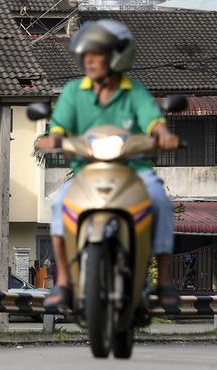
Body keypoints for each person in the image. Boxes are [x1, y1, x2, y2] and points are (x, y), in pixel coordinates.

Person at [37, 19, 180, 309]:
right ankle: (63, 280)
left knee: (160, 201)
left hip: (134, 173)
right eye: (85, 55)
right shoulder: (74, 92)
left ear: (117, 56)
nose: (88, 61)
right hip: (87, 174)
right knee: (60, 204)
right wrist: (53, 139)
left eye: (96, 55)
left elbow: (153, 120)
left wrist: (163, 135)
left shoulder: (134, 92)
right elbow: (59, 126)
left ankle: (164, 281)